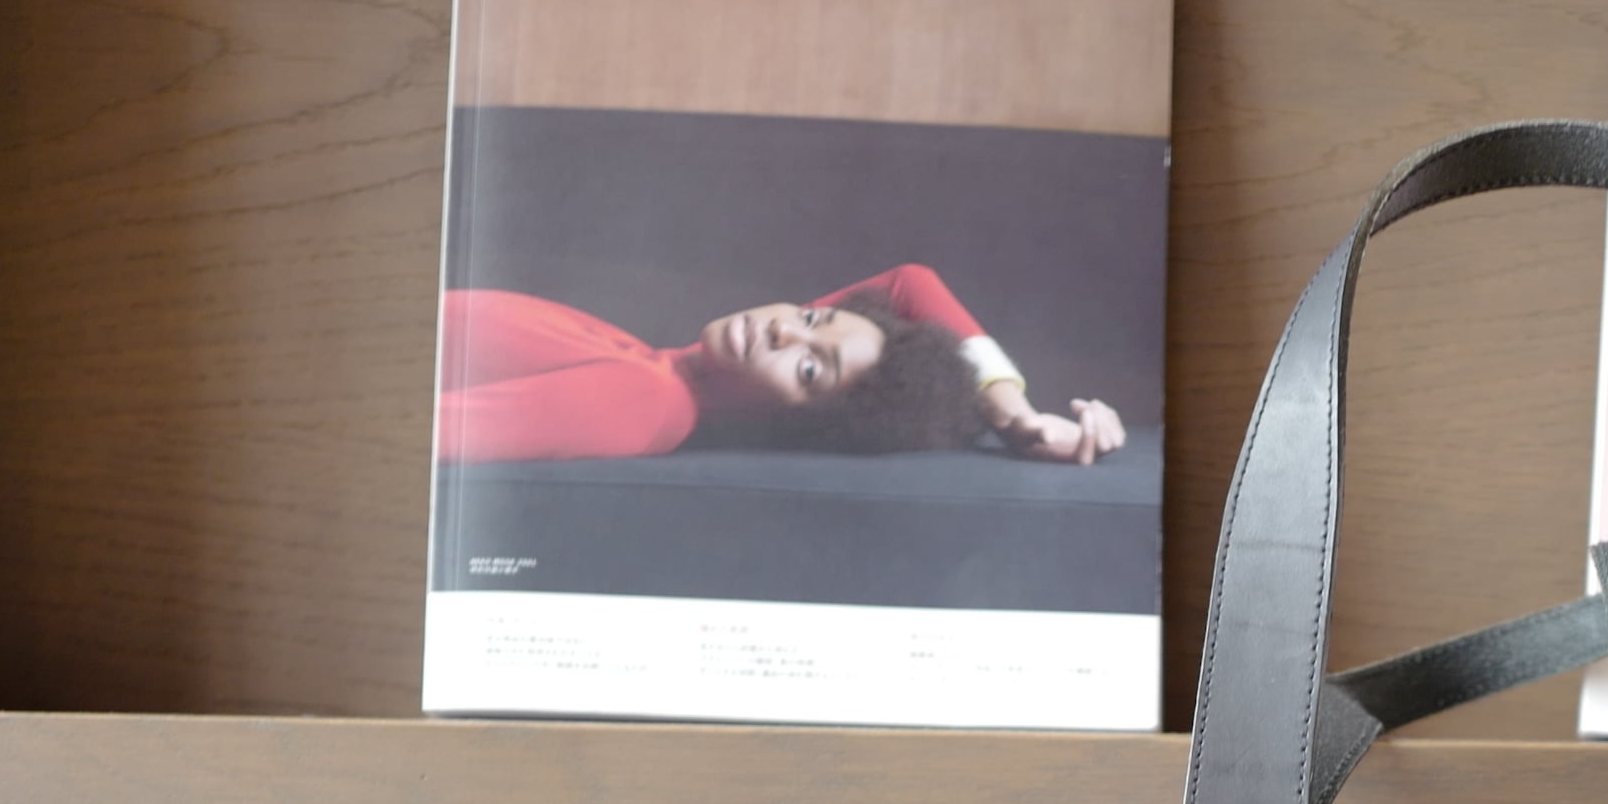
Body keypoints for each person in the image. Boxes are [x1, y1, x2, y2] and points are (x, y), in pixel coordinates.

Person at [437, 262, 1124, 465]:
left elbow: (424, 434)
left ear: (799, 419)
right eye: (813, 318)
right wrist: (1013, 411)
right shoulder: (669, 365)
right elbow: (907, 284)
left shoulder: (647, 397)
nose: (781, 331)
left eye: (809, 371)